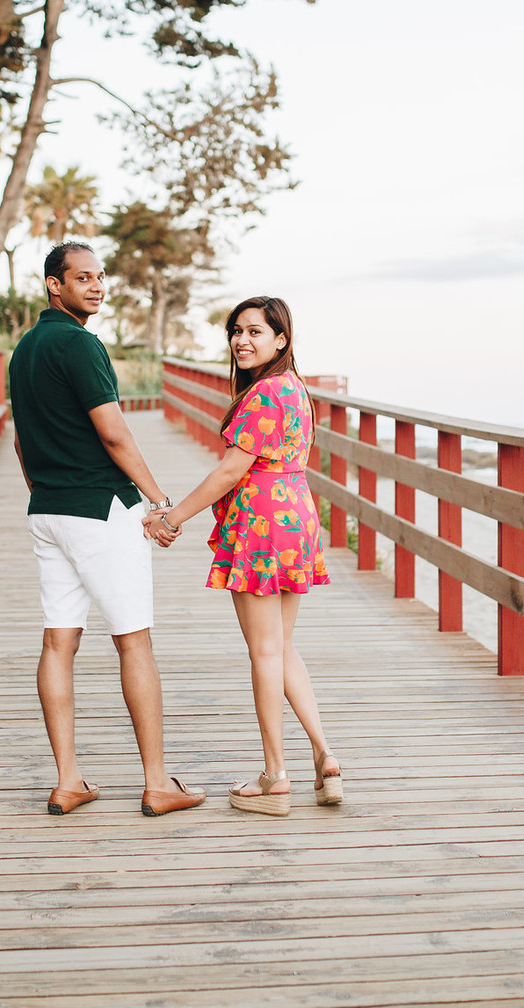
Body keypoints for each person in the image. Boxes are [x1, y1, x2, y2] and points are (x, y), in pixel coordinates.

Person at [8, 242, 205, 818]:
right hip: (100, 509)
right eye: (82, 277)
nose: (96, 286)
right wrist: (161, 500)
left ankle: (69, 780)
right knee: (133, 639)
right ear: (54, 285)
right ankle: (156, 783)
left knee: (57, 642)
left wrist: (46, 491)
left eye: (100, 277)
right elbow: (115, 434)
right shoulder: (81, 343)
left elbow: (21, 439)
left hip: (47, 510)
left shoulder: (22, 351)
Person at [145, 296, 340, 817]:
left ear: (282, 340)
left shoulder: (263, 395)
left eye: (256, 332)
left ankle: (276, 776)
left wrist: (172, 516)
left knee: (263, 652)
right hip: (296, 516)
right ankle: (325, 754)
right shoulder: (297, 389)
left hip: (261, 524)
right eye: (237, 331)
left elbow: (231, 471)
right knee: (281, 645)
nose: (242, 340)